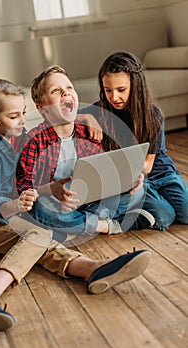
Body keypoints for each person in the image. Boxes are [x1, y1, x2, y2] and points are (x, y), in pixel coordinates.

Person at [0, 78, 151, 331]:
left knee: (42, 241)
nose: (22, 121)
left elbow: (28, 183)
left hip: (12, 219)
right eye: (14, 116)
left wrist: (51, 189)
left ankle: (94, 269)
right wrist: (18, 204)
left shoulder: (17, 139)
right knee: (39, 233)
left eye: (23, 113)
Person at [16, 65, 155, 243]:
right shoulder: (34, 141)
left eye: (69, 88)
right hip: (58, 205)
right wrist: (50, 192)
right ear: (42, 108)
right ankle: (104, 225)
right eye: (56, 90)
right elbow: (24, 188)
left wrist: (129, 179)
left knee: (138, 190)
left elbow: (104, 173)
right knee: (39, 210)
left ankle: (74, 226)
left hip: (89, 201)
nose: (65, 94)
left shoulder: (88, 133)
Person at [80, 51, 188, 230]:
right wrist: (87, 118)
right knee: (164, 217)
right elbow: (63, 118)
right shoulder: (100, 111)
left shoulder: (153, 115)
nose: (114, 97)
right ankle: (115, 222)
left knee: (186, 214)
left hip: (159, 172)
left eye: (121, 90)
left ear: (135, 85)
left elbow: (148, 166)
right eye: (108, 90)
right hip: (135, 180)